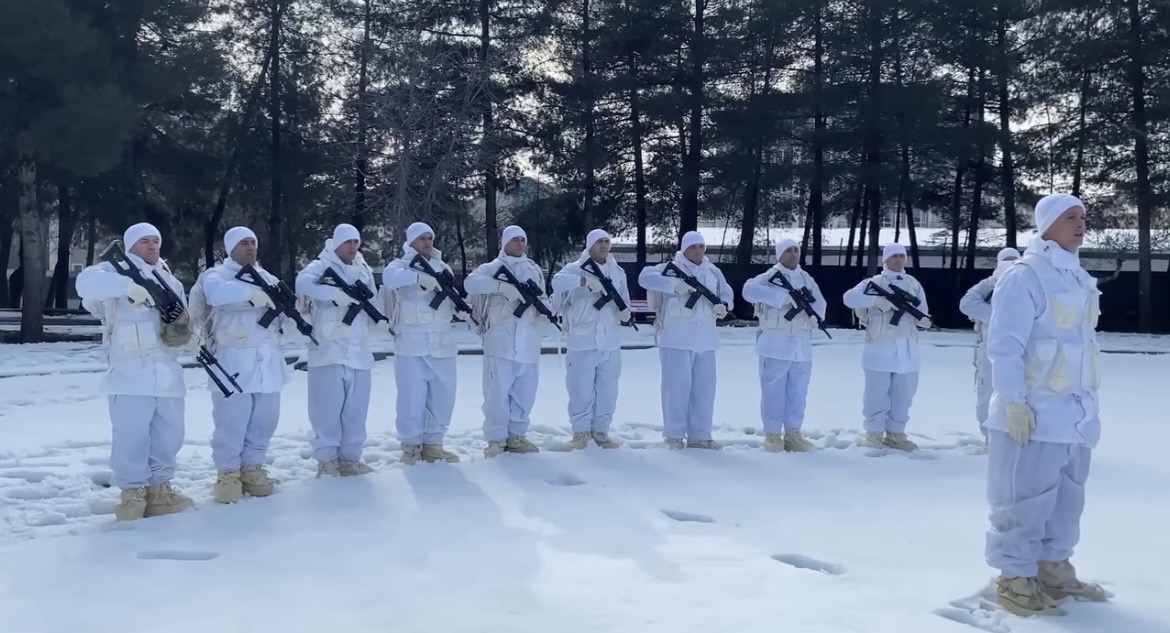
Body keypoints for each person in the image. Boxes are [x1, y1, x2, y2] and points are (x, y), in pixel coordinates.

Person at [984, 193, 1107, 616]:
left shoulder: (1077, 277)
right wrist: (1013, 403)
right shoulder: (1023, 276)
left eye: (1083, 217)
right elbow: (1004, 347)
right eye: (1070, 217)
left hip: (1075, 416)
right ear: (1046, 225)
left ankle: (1052, 566)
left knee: (1067, 500)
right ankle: (1015, 576)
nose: (1080, 224)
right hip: (1033, 414)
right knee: (1025, 499)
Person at [76, 222, 195, 520]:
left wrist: (188, 336)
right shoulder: (111, 272)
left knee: (170, 434)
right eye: (144, 241)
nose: (152, 246)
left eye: (156, 241)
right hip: (129, 372)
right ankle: (131, 493)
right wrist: (127, 286)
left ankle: (159, 489)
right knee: (131, 435)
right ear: (130, 246)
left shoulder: (171, 281)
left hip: (167, 372)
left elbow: (180, 319)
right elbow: (85, 285)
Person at [189, 227, 287, 503]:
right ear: (230, 247)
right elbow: (216, 295)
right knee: (231, 421)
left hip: (266, 360)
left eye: (253, 242)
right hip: (232, 360)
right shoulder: (215, 275)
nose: (250, 247)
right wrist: (253, 293)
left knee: (265, 418)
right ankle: (228, 472)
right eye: (244, 242)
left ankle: (253, 467)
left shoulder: (267, 276)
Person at [381, 222, 470, 464]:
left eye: (430, 237)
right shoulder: (400, 265)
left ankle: (434, 443)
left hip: (442, 343)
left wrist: (461, 309)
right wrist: (419, 278)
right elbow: (390, 279)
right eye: (422, 238)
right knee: (411, 397)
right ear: (411, 242)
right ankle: (410, 446)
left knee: (443, 397)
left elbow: (448, 297)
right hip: (412, 344)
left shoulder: (442, 267)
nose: (427, 242)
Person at [638, 231, 734, 449]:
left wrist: (724, 306)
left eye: (701, 246)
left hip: (706, 339)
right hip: (677, 337)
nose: (698, 251)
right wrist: (674, 286)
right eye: (693, 247)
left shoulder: (713, 271)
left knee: (704, 390)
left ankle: (700, 434)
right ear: (684, 249)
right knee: (676, 389)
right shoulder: (670, 268)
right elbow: (644, 278)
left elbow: (726, 293)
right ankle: (673, 434)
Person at [295, 223, 377, 477]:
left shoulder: (363, 268)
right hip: (329, 348)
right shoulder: (320, 265)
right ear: (337, 244)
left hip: (357, 348)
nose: (353, 247)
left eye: (356, 242)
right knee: (326, 408)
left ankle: (351, 458)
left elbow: (373, 297)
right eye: (348, 242)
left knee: (356, 408)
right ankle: (327, 460)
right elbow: (303, 283)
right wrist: (336, 295)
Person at [465, 225, 550, 457]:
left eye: (523, 239)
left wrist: (546, 311)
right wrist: (501, 287)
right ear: (505, 243)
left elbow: (541, 297)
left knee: (524, 393)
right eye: (515, 240)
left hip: (528, 341)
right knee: (496, 393)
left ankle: (517, 436)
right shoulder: (492, 268)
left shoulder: (533, 269)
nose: (520, 243)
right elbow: (470, 284)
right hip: (500, 340)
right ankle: (495, 438)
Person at [842, 244, 931, 451]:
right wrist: (876, 301)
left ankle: (896, 433)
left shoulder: (913, 284)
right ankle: (873, 433)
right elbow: (849, 298)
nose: (898, 260)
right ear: (886, 260)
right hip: (880, 348)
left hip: (907, 349)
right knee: (876, 395)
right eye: (894, 256)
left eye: (902, 256)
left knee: (904, 395)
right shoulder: (873, 283)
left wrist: (923, 320)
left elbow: (922, 311)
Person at [741, 239, 826, 452]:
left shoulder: (806, 278)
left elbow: (819, 302)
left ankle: (793, 433)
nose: (793, 254)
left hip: (801, 345)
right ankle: (772, 434)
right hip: (775, 343)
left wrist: (817, 317)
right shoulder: (769, 277)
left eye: (796, 250)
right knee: (773, 391)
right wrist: (782, 298)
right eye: (788, 251)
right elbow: (748, 290)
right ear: (779, 255)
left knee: (798, 392)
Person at [550, 229, 631, 450]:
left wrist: (626, 313)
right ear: (590, 245)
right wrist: (584, 281)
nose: (604, 245)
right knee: (580, 390)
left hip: (610, 342)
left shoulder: (618, 272)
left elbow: (624, 300)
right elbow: (557, 283)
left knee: (608, 391)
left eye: (606, 241)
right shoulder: (574, 269)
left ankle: (601, 430)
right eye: (599, 242)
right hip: (582, 341)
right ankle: (580, 432)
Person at [958, 247, 1021, 441]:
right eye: (1006, 260)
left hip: (1019, 351)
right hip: (989, 349)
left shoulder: (1028, 283)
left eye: (1014, 260)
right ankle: (989, 437)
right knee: (986, 397)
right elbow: (966, 303)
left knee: (1016, 396)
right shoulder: (989, 285)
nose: (1010, 263)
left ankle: (1013, 434)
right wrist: (996, 315)